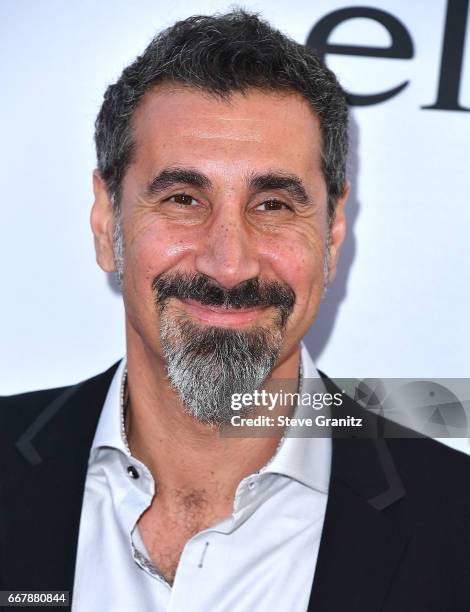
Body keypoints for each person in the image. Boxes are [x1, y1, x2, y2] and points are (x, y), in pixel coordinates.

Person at [1, 10, 469, 612]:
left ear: (331, 237)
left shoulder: (457, 528)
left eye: (273, 205)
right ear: (105, 221)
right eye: (183, 198)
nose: (229, 264)